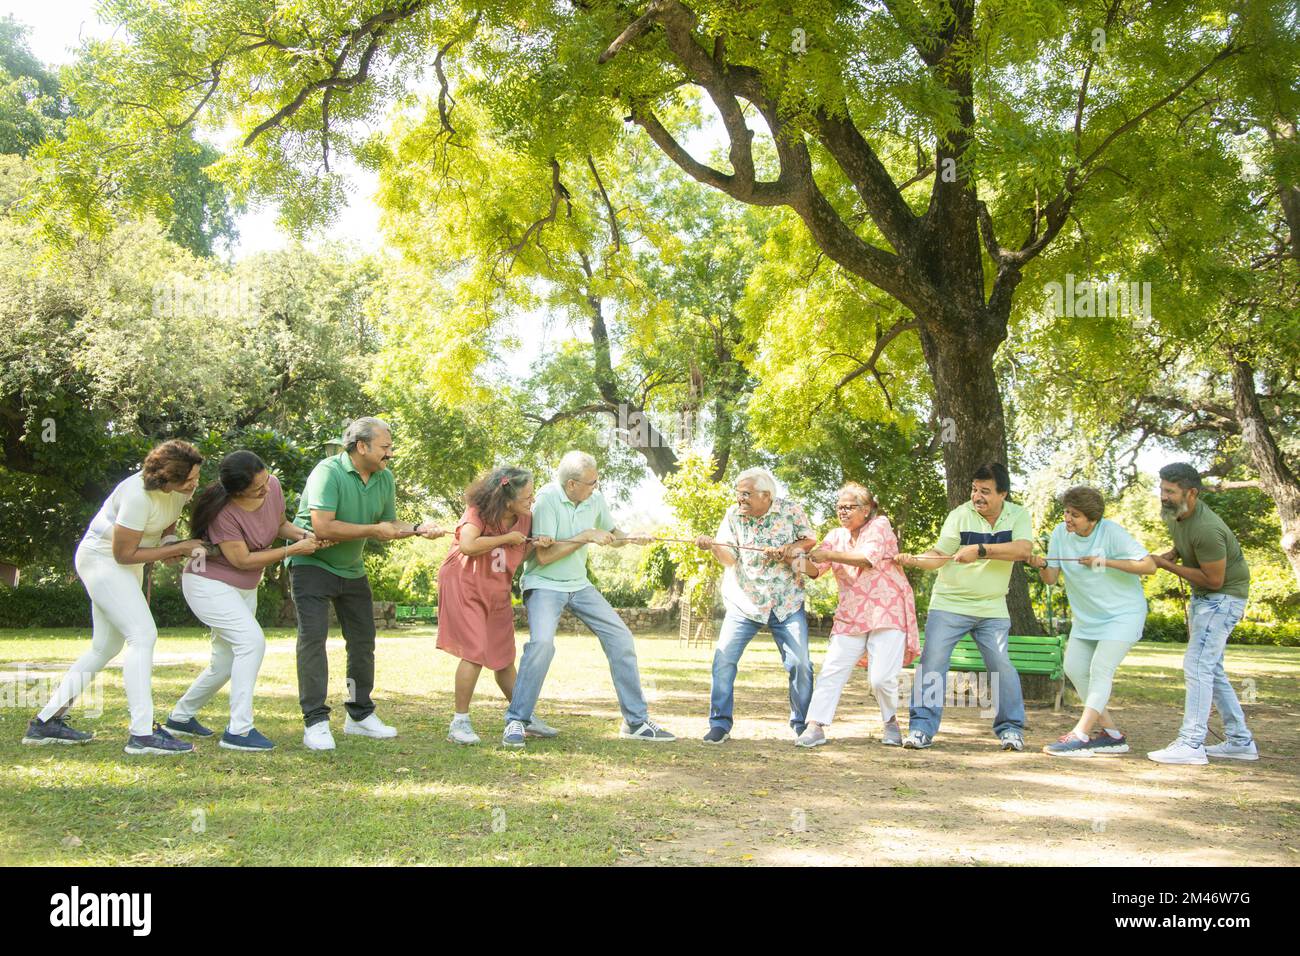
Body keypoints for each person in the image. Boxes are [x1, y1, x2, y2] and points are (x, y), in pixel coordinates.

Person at [24, 440, 205, 755]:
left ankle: (45, 722)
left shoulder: (181, 489)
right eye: (189, 480)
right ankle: (142, 735)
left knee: (105, 646)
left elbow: (168, 519)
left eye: (196, 478)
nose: (194, 485)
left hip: (126, 562)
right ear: (165, 479)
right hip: (102, 559)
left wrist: (172, 539)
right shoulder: (136, 495)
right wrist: (178, 548)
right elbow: (124, 554)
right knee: (143, 635)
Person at [290, 417, 445, 751]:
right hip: (312, 564)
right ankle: (315, 721)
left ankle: (358, 714)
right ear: (361, 446)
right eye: (385, 447)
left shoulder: (384, 478)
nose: (390, 454)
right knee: (313, 639)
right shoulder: (328, 472)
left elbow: (388, 522)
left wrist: (419, 527)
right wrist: (374, 531)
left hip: (351, 569)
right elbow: (323, 527)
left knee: (362, 642)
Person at [503, 450, 675, 748]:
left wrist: (633, 537)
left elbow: (611, 534)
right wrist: (584, 536)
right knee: (542, 644)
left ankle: (635, 722)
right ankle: (518, 720)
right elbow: (544, 556)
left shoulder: (594, 499)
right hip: (544, 583)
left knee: (621, 636)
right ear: (571, 485)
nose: (596, 486)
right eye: (591, 482)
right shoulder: (546, 500)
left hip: (578, 584)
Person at [165, 451, 324, 752]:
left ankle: (180, 717)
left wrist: (307, 535)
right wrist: (294, 550)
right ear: (237, 491)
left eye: (265, 481)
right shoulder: (224, 513)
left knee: (224, 663)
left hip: (242, 588)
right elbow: (243, 560)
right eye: (257, 488)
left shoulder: (272, 485)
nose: (266, 490)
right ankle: (238, 731)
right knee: (251, 642)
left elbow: (279, 525)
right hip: (207, 583)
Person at [897, 462, 1033, 751]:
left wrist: (980, 550)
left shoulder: (1018, 515)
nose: (977, 496)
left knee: (1001, 665)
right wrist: (916, 560)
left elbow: (1023, 550)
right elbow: (939, 554)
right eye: (974, 490)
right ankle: (921, 728)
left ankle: (1011, 730)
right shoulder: (960, 515)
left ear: (1003, 494)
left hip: (992, 607)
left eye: (985, 491)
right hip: (949, 604)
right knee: (932, 663)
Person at [1027, 486, 1155, 757]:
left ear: (1092, 519)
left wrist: (1105, 561)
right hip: (1087, 619)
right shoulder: (1061, 534)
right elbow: (1051, 578)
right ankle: (1112, 735)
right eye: (1066, 512)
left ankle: (1080, 734)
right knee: (1074, 668)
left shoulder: (1110, 532)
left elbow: (1149, 566)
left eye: (1075, 515)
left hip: (1123, 615)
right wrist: (1039, 565)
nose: (1068, 519)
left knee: (1100, 669)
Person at [1146, 463, 1258, 764]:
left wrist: (1164, 563)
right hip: (1206, 599)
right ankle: (1239, 741)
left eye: (1170, 491)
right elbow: (1186, 544)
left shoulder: (1208, 528)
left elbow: (1214, 580)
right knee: (1211, 669)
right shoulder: (1173, 514)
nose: (1163, 496)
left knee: (1196, 665)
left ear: (1191, 493)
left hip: (1222, 599)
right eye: (1162, 489)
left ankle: (1192, 743)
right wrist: (1174, 553)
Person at [695, 467, 817, 743]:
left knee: (800, 663)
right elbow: (730, 558)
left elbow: (810, 540)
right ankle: (719, 724)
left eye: (746, 494)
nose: (741, 499)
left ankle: (802, 725)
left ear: (766, 495)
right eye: (739, 494)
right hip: (744, 602)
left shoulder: (791, 510)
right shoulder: (733, 515)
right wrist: (713, 546)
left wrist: (789, 550)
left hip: (786, 602)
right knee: (723, 660)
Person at [437, 466, 556, 745]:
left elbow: (517, 551)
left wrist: (537, 544)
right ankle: (460, 722)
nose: (532, 500)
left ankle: (522, 715)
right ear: (507, 499)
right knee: (475, 651)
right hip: (464, 582)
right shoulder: (478, 511)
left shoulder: (525, 519)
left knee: (503, 657)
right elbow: (467, 544)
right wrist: (505, 538)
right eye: (526, 496)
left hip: (496, 587)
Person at [798, 483, 920, 748]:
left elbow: (867, 558)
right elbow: (815, 570)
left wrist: (828, 553)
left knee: (881, 678)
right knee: (831, 669)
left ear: (866, 510)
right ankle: (815, 726)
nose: (842, 512)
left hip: (887, 611)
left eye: (848, 507)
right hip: (851, 615)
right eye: (839, 507)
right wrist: (791, 558)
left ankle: (890, 722)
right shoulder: (835, 535)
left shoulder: (880, 525)